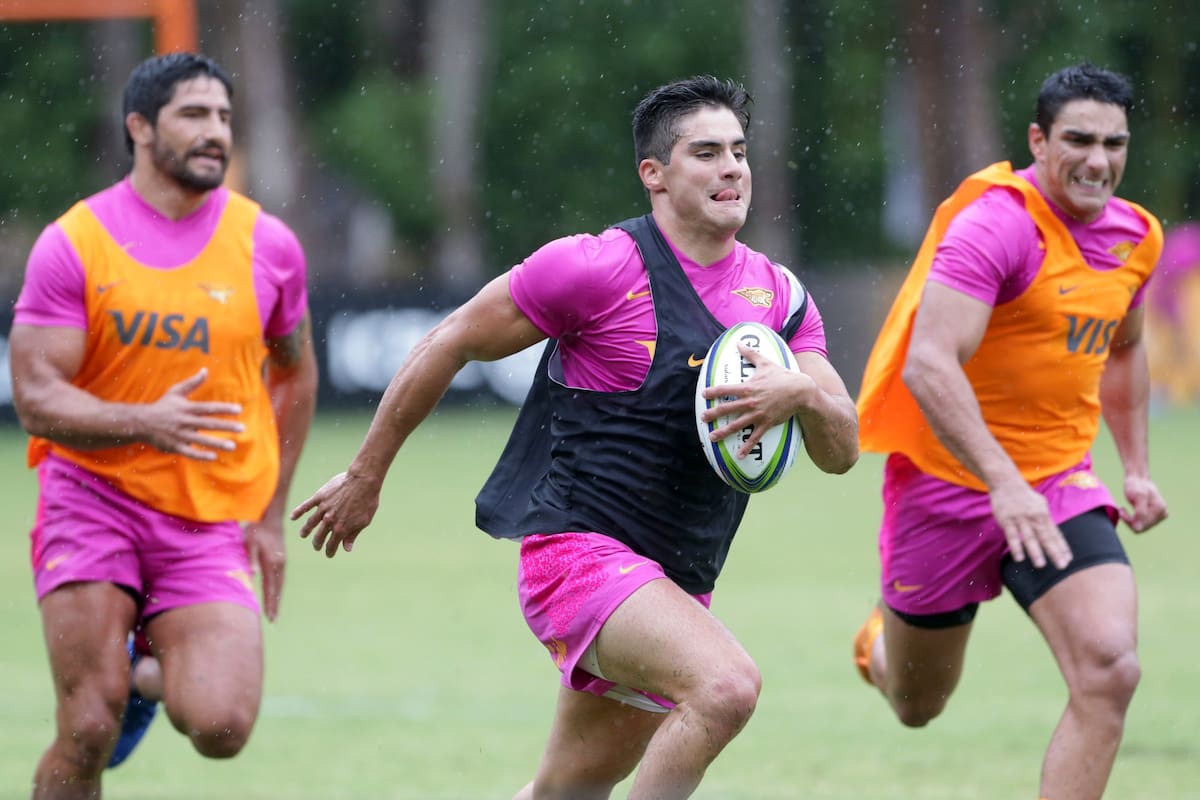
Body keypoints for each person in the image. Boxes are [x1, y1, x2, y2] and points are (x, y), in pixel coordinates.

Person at [291, 75, 859, 799]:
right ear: (653, 174)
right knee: (725, 688)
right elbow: (450, 340)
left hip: (678, 580)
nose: (732, 169)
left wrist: (803, 394)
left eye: (739, 152)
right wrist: (366, 476)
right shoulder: (597, 267)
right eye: (707, 153)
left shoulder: (780, 297)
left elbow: (841, 451)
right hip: (577, 557)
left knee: (568, 789)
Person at [853, 63, 1168, 800]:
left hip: (1058, 484)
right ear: (1038, 140)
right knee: (917, 705)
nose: (1099, 161)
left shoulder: (1138, 236)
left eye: (1115, 143)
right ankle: (880, 643)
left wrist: (1136, 468)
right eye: (1079, 140)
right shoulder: (997, 225)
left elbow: (1124, 349)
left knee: (1110, 669)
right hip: (946, 487)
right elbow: (929, 363)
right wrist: (1002, 482)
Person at [10, 52, 318, 798]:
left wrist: (269, 515)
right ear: (140, 128)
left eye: (224, 117)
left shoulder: (269, 246)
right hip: (90, 500)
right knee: (88, 725)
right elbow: (35, 396)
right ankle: (117, 682)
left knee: (222, 726)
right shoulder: (76, 242)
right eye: (194, 115)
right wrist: (143, 422)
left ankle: (143, 674)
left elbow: (296, 374)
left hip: (205, 516)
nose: (216, 132)